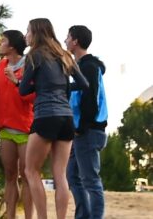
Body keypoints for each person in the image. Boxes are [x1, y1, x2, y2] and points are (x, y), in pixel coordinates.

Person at [19, 18, 88, 219]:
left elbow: (23, 90)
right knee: (60, 174)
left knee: (31, 170)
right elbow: (84, 84)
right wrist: (63, 88)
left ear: (36, 33)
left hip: (45, 116)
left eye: (28, 30)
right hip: (66, 117)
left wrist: (39, 87)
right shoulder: (64, 54)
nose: (26, 35)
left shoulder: (35, 55)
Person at [65, 25, 108, 219]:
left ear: (75, 41)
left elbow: (91, 97)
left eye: (67, 37)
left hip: (89, 131)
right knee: (72, 176)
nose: (65, 40)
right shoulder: (79, 67)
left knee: (90, 180)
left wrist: (82, 127)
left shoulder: (89, 67)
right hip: (79, 131)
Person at [0, 30, 35, 219]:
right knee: (10, 176)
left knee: (27, 176)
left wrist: (17, 81)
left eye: (3, 41)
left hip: (26, 127)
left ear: (12, 46)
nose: (0, 43)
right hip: (5, 128)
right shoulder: (0, 65)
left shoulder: (29, 64)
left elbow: (34, 96)